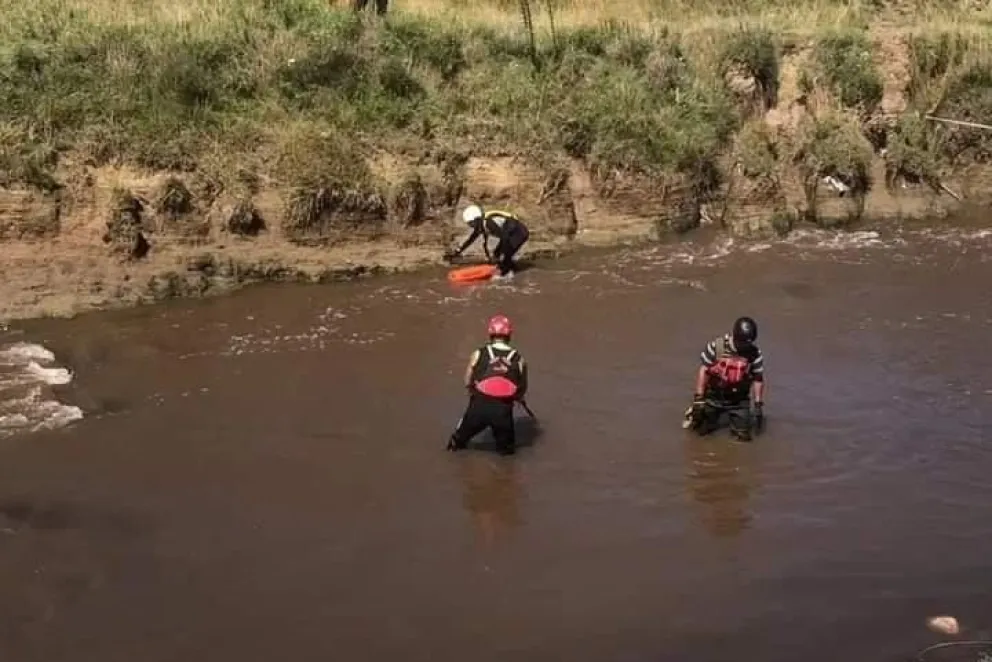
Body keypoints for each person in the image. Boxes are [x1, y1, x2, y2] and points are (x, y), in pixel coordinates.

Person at [447, 314, 529, 456]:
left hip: (478, 406)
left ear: (490, 333)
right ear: (509, 334)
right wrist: (518, 397)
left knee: (456, 444)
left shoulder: (478, 353)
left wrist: (472, 392)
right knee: (507, 456)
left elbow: (467, 381)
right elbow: (522, 388)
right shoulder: (520, 359)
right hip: (503, 411)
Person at [684, 316, 766, 441]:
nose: (745, 346)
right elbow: (704, 370)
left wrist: (758, 404)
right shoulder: (716, 347)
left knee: (743, 437)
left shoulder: (754, 354)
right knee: (698, 432)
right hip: (714, 396)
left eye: (748, 343)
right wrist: (699, 398)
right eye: (742, 343)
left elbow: (758, 378)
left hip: (739, 400)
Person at [444, 204, 530, 278]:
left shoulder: (489, 222)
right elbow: (470, 240)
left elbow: (505, 237)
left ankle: (506, 276)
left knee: (504, 256)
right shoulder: (480, 225)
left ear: (476, 219)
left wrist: (502, 256)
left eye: (471, 224)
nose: (471, 226)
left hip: (519, 233)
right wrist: (457, 253)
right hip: (509, 234)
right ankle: (513, 269)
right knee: (499, 255)